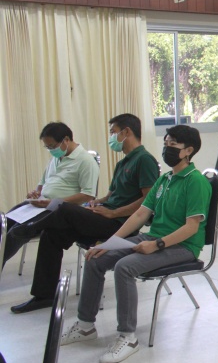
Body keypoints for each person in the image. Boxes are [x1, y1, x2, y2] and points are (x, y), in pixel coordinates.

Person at [59, 125, 211, 363]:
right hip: (154, 237)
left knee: (125, 267)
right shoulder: (165, 179)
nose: (167, 148)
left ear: (188, 151)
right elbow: (141, 214)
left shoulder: (196, 181)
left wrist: (157, 244)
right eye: (166, 143)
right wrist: (110, 243)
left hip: (182, 246)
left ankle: (128, 337)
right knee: (96, 257)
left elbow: (191, 227)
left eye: (173, 145)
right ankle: (86, 325)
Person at [9, 114, 160, 314]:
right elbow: (111, 195)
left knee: (64, 208)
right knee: (52, 234)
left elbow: (148, 200)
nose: (111, 137)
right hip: (105, 216)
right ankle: (44, 296)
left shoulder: (145, 160)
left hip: (120, 225)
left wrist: (113, 213)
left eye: (113, 132)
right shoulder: (123, 163)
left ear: (127, 132)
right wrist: (97, 202)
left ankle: (29, 228)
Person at [3, 122, 99, 267]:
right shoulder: (55, 158)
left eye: (52, 146)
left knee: (18, 231)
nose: (51, 150)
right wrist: (35, 193)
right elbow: (42, 184)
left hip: (60, 209)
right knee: (5, 222)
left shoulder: (86, 161)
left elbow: (87, 195)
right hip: (41, 204)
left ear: (66, 140)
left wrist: (54, 202)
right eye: (47, 147)